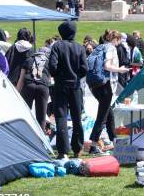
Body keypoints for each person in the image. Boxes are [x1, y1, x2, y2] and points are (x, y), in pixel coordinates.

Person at [48, 21, 88, 160]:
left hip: (60, 86)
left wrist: (59, 76)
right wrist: (75, 76)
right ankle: (77, 149)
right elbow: (84, 68)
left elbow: (52, 67)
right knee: (77, 118)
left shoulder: (57, 46)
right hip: (76, 86)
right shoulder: (80, 47)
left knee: (61, 117)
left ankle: (63, 151)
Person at [89, 30, 131, 154]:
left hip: (94, 84)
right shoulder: (111, 48)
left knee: (109, 114)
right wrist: (120, 70)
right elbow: (107, 66)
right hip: (105, 85)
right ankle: (93, 145)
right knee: (102, 116)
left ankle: (114, 141)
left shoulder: (99, 47)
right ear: (116, 39)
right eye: (119, 41)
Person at [17, 44, 52, 130]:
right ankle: (41, 137)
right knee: (41, 116)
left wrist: (17, 93)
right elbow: (50, 80)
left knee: (25, 113)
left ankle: (23, 131)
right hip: (43, 87)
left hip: (28, 86)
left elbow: (21, 79)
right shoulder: (49, 62)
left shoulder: (29, 60)